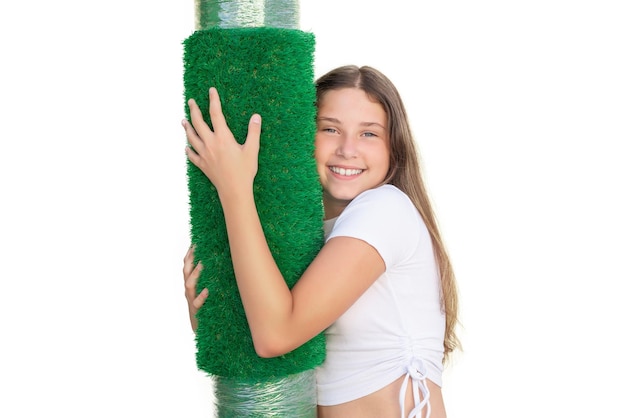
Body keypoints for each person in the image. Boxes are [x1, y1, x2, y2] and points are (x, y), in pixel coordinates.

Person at [182, 65, 460, 418]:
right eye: (330, 129)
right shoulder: (315, 236)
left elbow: (275, 336)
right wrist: (206, 317)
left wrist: (234, 187)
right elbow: (263, 346)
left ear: (394, 148)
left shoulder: (385, 210)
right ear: (302, 136)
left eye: (369, 134)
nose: (347, 149)